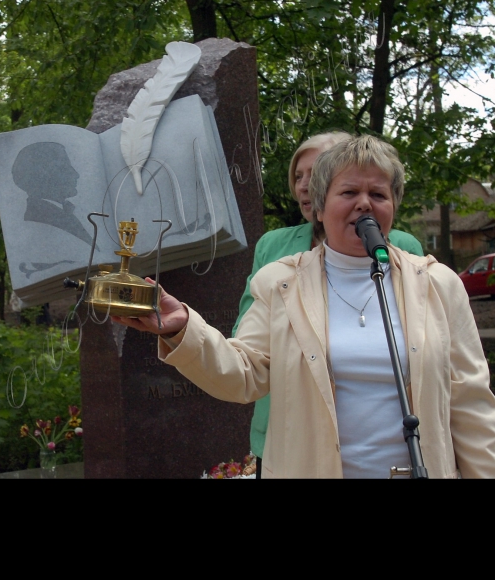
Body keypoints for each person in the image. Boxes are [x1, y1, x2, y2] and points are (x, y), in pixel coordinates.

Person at [113, 135, 495, 478]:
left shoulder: (438, 285)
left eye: (378, 195)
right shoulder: (280, 283)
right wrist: (184, 328)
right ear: (319, 206)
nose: (365, 203)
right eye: (349, 193)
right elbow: (244, 374)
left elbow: (472, 404)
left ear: (393, 206)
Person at [233, 131, 424, 477]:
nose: (304, 185)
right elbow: (246, 352)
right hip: (293, 435)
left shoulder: (419, 267)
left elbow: (465, 394)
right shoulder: (276, 258)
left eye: (315, 172)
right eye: (298, 176)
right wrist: (181, 329)